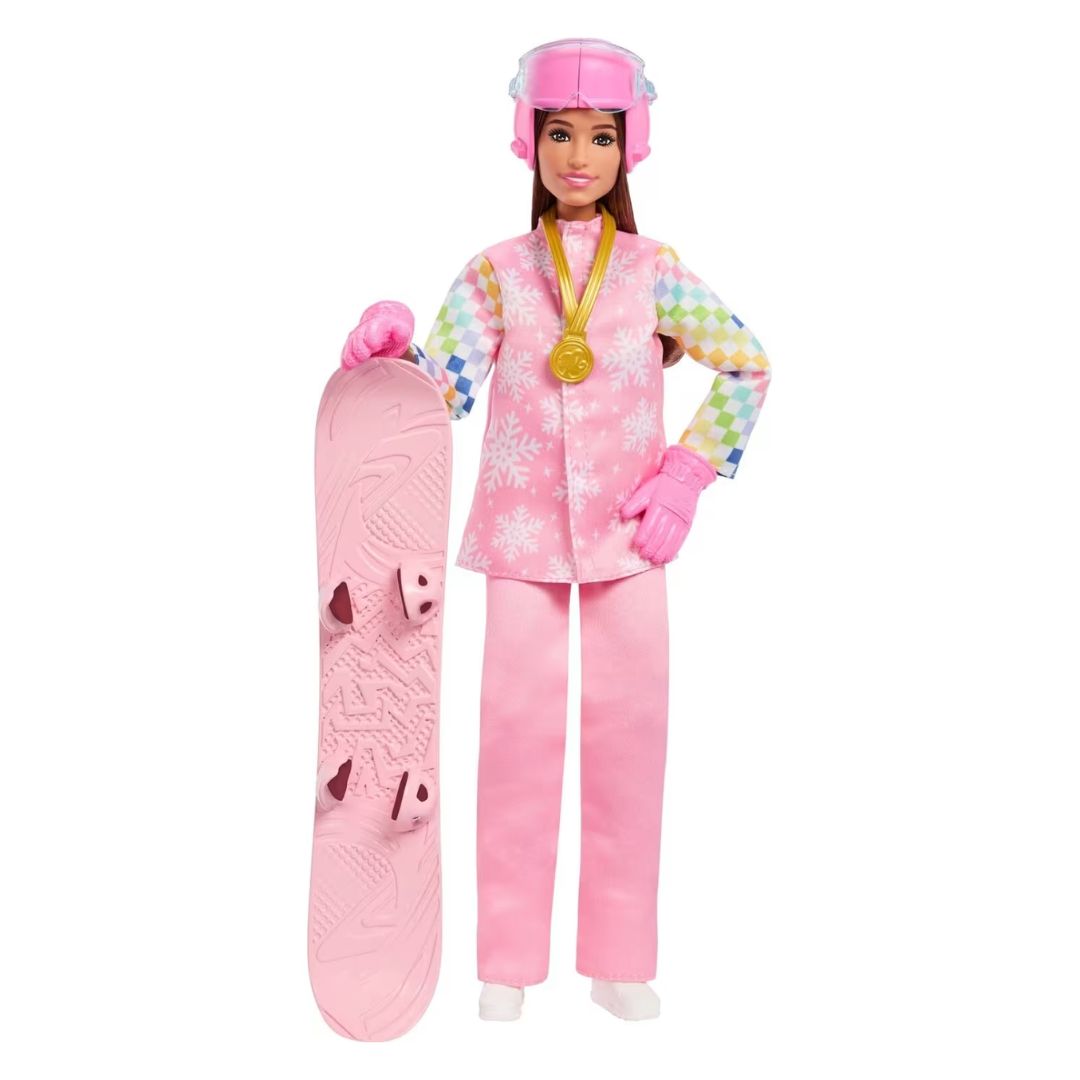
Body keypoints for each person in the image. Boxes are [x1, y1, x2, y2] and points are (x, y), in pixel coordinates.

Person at [340, 37, 772, 1022]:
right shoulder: (497, 274)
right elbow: (443, 389)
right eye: (561, 133)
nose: (580, 156)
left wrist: (687, 474)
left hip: (632, 537)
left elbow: (750, 362)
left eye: (602, 136)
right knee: (515, 739)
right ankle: (506, 964)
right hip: (521, 535)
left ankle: (619, 959)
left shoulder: (655, 271)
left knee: (632, 740)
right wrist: (387, 357)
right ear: (528, 140)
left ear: (631, 147)